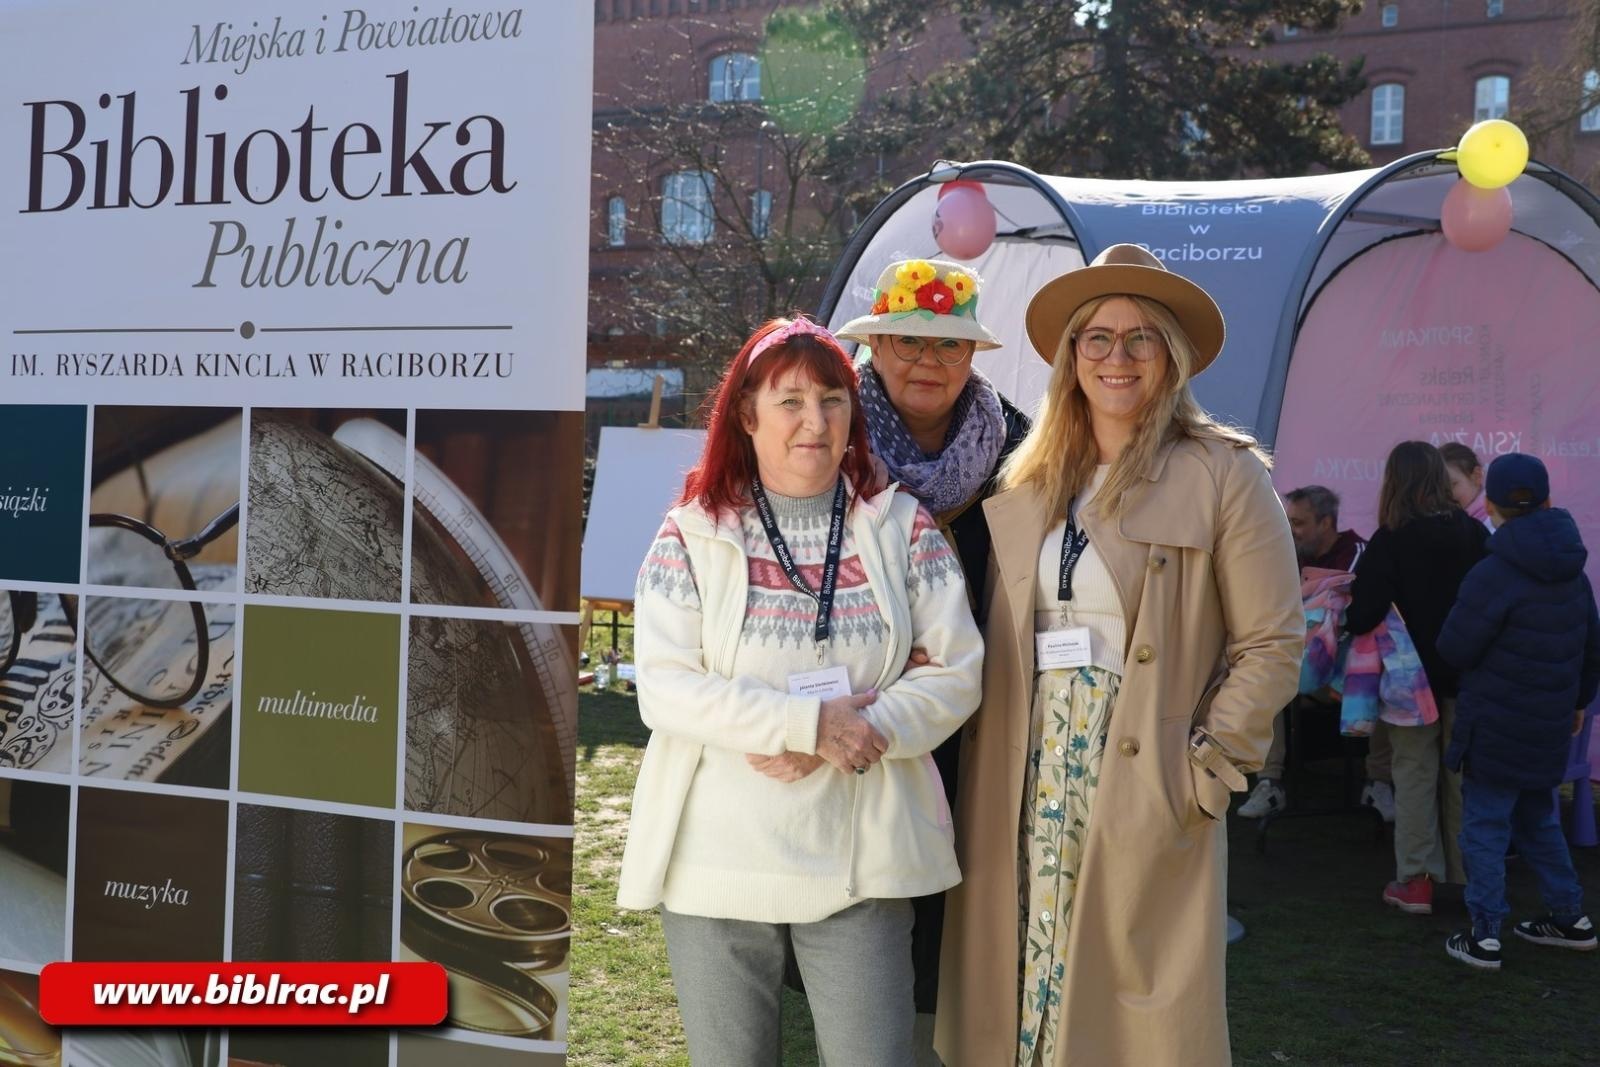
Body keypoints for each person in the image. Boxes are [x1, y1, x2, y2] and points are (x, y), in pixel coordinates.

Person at [936, 244, 1303, 1067]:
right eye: (1098, 336)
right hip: (1023, 773)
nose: (1118, 356)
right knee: (1017, 975)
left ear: (1170, 355)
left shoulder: (1224, 474)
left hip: (1142, 772)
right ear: (1072, 354)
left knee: (1125, 1007)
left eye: (1142, 337)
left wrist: (1207, 767)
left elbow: (1274, 642)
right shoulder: (1029, 478)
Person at [616, 316, 985, 1066]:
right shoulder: (693, 533)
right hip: (717, 859)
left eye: (831, 400)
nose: (814, 422)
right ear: (746, 415)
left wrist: (853, 733)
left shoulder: (902, 525)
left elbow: (957, 672)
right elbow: (665, 686)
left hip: (863, 858)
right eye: (789, 401)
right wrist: (806, 724)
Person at [836, 258, 1028, 1056]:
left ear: (973, 354)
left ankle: (948, 1019)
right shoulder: (829, 433)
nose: (928, 360)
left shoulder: (1020, 447)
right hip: (858, 703)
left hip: (981, 703)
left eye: (948, 344)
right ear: (876, 344)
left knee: (966, 872)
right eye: (909, 340)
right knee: (864, 880)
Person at [1436, 453, 1599, 969]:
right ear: (1548, 501)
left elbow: (1455, 647)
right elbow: (1591, 647)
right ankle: (1569, 918)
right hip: (1548, 724)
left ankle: (1485, 933)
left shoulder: (1493, 573)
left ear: (1491, 505)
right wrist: (1578, 702)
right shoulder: (1574, 573)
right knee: (1538, 819)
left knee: (1484, 827)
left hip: (1494, 725)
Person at [1347, 441, 1489, 916]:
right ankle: (1472, 879)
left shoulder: (1391, 539)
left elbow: (1363, 615)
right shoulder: (1473, 533)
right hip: (1468, 676)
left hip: (1411, 685)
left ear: (1395, 481)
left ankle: (1417, 882)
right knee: (1462, 779)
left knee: (1413, 776)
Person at [1240, 485, 1392, 821]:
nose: (1291, 530)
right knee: (1264, 677)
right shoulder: (1288, 555)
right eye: (1289, 522)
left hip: (1350, 669)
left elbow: (1347, 614)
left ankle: (1379, 783)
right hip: (1300, 665)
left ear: (1326, 523)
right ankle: (1269, 784)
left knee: (1385, 685)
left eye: (1299, 523)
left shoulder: (1358, 553)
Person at [1440, 441, 1492, 527]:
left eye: (1452, 485)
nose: (1443, 495)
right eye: (1436, 488)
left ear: (1476, 476)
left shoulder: (1494, 524)